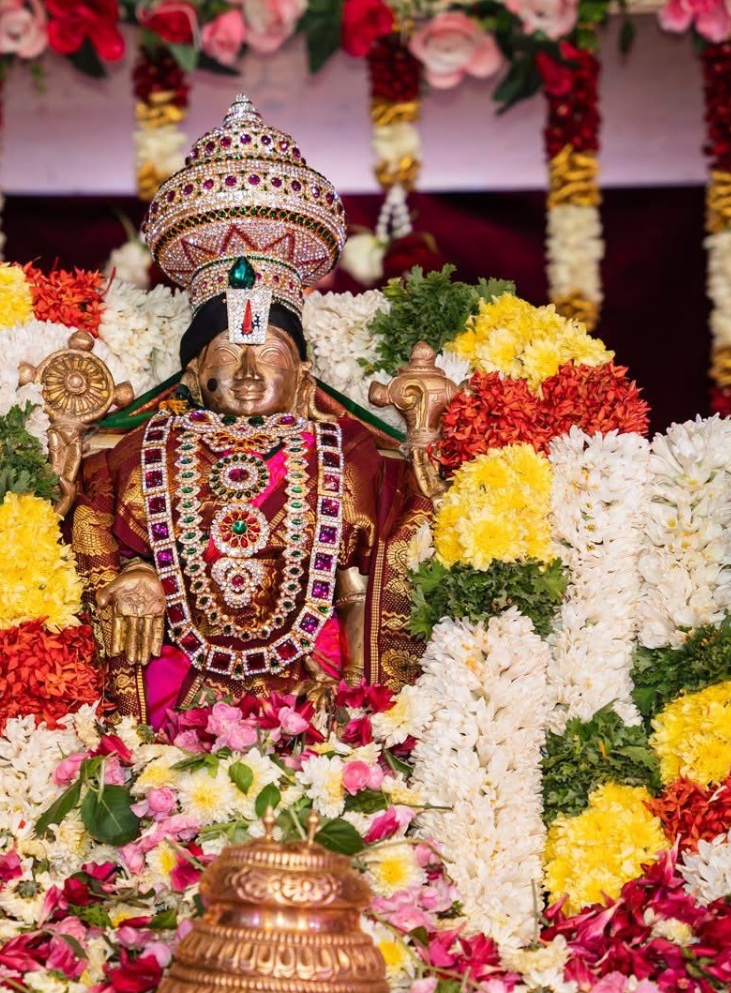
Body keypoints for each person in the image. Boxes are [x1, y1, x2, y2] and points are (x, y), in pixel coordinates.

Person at [69, 96, 448, 725]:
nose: (247, 374)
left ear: (302, 374)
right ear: (194, 372)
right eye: (228, 355)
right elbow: (89, 535)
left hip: (324, 698)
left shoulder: (351, 452)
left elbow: (387, 561)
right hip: (173, 698)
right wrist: (131, 577)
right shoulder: (137, 452)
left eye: (268, 355)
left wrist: (358, 693)